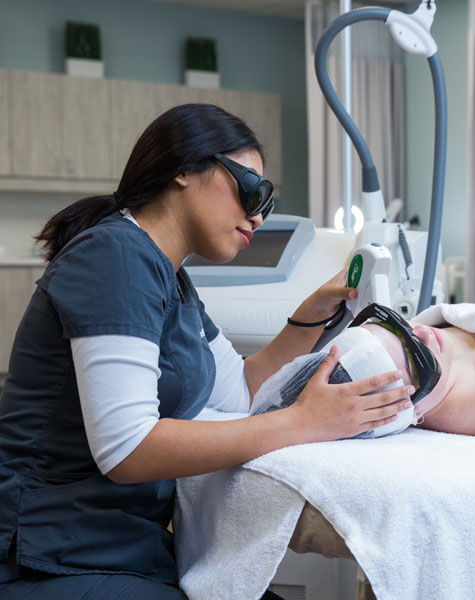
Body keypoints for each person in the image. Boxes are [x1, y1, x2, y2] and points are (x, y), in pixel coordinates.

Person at [0, 104, 415, 599]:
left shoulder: (172, 278)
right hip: (49, 557)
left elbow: (240, 390)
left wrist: (313, 314)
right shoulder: (113, 257)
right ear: (183, 168)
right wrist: (302, 422)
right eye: (250, 189)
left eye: (268, 200)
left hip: (124, 549)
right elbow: (126, 448)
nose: (258, 215)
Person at [250, 302, 475, 442]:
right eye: (419, 359)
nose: (426, 333)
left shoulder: (437, 377)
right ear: (407, 413)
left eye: (400, 326)